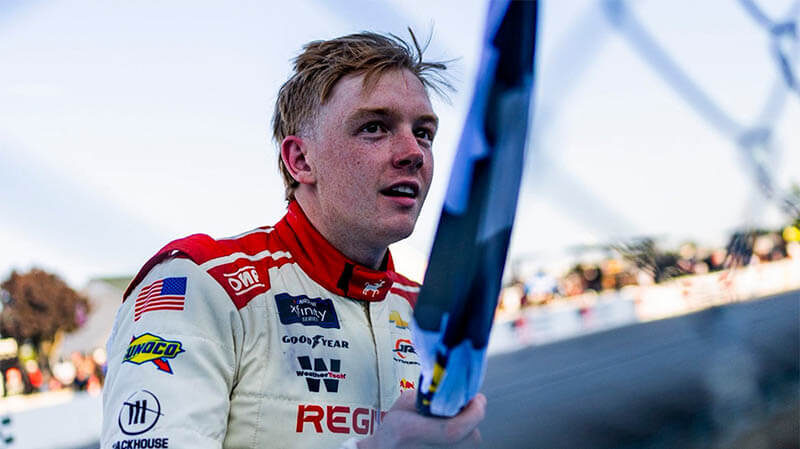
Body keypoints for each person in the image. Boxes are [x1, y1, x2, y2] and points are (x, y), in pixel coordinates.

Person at [101, 31, 486, 449]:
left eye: (424, 132)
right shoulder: (202, 283)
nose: (414, 152)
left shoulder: (423, 310)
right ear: (300, 160)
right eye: (375, 128)